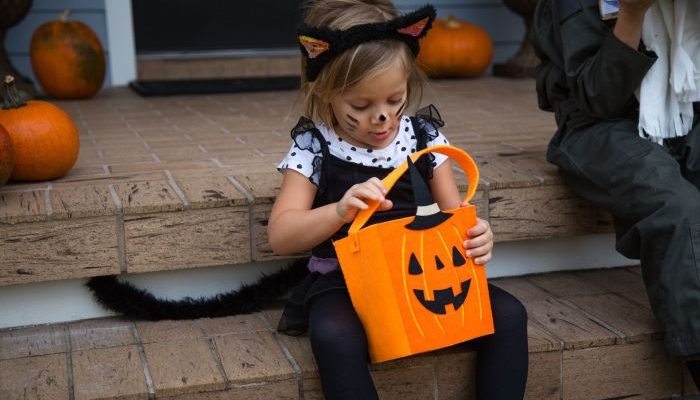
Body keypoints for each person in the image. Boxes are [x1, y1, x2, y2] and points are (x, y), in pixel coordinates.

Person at [267, 1, 528, 399]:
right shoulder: (315, 147)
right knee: (333, 333)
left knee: (509, 315)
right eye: (361, 105)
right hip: (346, 280)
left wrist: (477, 237)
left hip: (425, 273)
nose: (383, 118)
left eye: (395, 99)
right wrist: (338, 210)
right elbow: (282, 236)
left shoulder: (423, 139)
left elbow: (453, 216)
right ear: (323, 90)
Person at [531, 0, 700, 392]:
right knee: (676, 207)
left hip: (684, 109)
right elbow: (597, 98)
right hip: (599, 123)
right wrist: (633, 14)